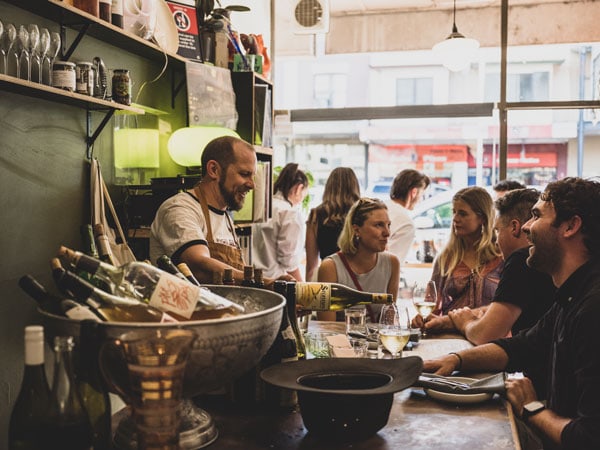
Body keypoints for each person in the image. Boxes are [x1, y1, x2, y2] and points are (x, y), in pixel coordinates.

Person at [423, 177, 600, 450]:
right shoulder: (572, 295)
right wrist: (455, 359)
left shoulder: (592, 309)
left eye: (537, 216)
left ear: (570, 226)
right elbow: (523, 346)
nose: (527, 227)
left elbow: (589, 438)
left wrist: (532, 409)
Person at [423, 188, 555, 345]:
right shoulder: (544, 261)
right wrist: (448, 321)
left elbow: (485, 334)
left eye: (497, 230)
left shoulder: (518, 260)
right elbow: (500, 308)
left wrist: (463, 323)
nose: (455, 219)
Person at [150, 136, 265, 284]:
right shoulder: (179, 208)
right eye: (244, 174)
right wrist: (265, 282)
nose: (252, 185)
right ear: (213, 170)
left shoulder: (225, 217)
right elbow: (199, 266)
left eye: (252, 176)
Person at [416, 186, 503, 323]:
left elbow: (508, 308)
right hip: (450, 335)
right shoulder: (446, 258)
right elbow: (431, 303)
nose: (455, 219)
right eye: (454, 212)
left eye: (462, 214)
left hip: (490, 335)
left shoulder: (500, 256)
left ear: (481, 218)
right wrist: (422, 318)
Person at [318, 197, 400, 321]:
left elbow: (389, 323)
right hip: (340, 340)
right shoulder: (330, 267)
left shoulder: (392, 263)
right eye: (379, 225)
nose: (387, 233)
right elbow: (326, 327)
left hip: (377, 339)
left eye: (388, 225)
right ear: (356, 230)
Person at [251, 163, 309, 280]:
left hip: (252, 278)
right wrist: (302, 285)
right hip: (276, 281)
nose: (301, 199)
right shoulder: (290, 213)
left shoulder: (263, 206)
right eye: (304, 193)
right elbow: (289, 261)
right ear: (299, 188)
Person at [305, 167, 361, 282]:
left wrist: (308, 293)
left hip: (327, 279)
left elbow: (311, 266)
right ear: (355, 187)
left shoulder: (316, 215)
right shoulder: (362, 213)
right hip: (358, 279)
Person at [386, 169, 430, 263]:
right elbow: (392, 264)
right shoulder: (405, 223)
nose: (420, 200)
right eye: (422, 195)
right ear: (414, 192)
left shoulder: (382, 207)